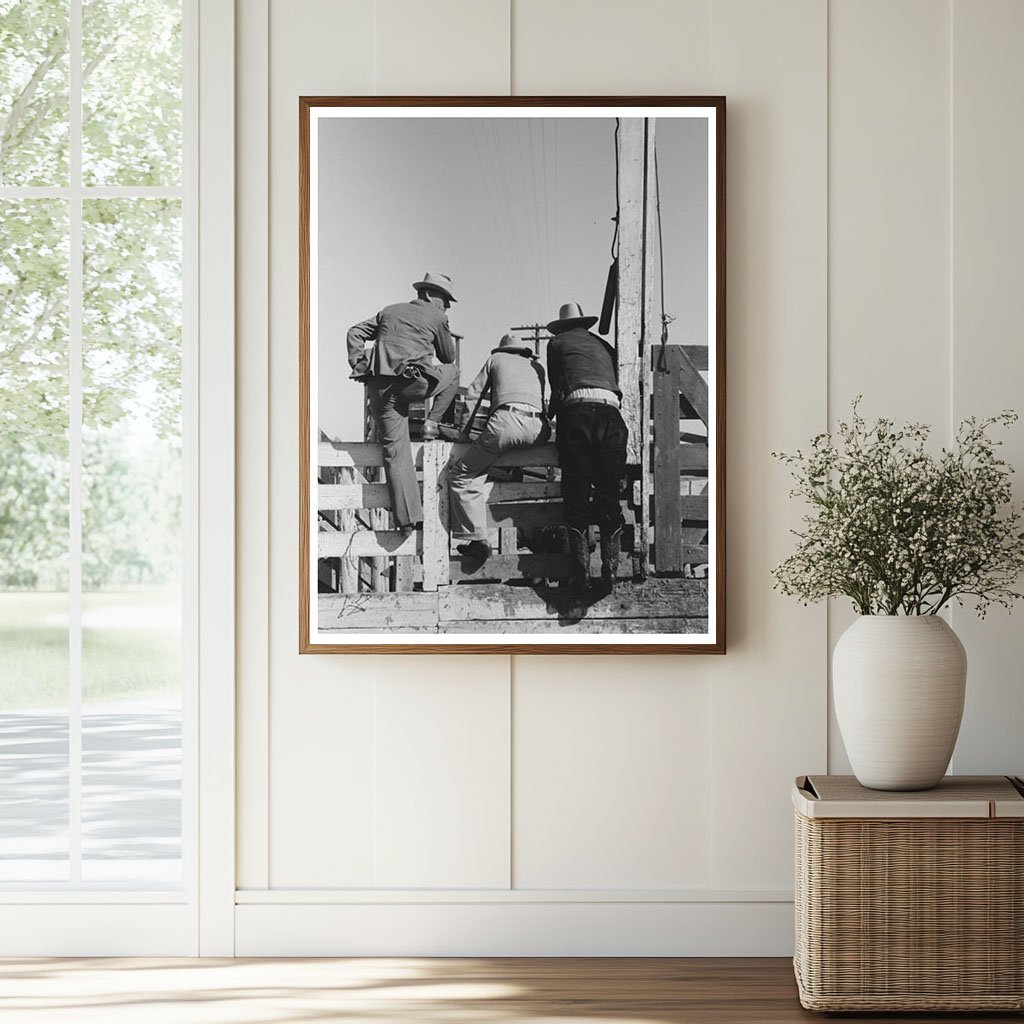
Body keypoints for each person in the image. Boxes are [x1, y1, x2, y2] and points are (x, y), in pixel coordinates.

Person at [347, 272, 461, 533]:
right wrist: (442, 325)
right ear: (431, 295)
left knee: (395, 451)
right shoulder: (437, 316)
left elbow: (354, 332)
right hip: (413, 383)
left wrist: (359, 362)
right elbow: (447, 357)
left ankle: (408, 521)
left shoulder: (388, 311)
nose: (447, 306)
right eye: (445, 299)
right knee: (454, 372)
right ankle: (433, 423)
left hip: (380, 387)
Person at [545, 301, 628, 592]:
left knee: (576, 494)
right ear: (584, 324)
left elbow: (557, 387)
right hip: (611, 414)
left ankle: (581, 573)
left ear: (562, 325)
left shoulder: (556, 343)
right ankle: (612, 570)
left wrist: (549, 417)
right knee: (609, 495)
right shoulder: (604, 346)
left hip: (577, 413)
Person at [448, 334, 550, 563]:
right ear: (523, 351)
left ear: (503, 349)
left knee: (462, 475)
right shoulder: (537, 366)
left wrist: (464, 432)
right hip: (539, 429)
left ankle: (477, 539)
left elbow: (473, 395)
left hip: (506, 423)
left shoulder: (496, 360)